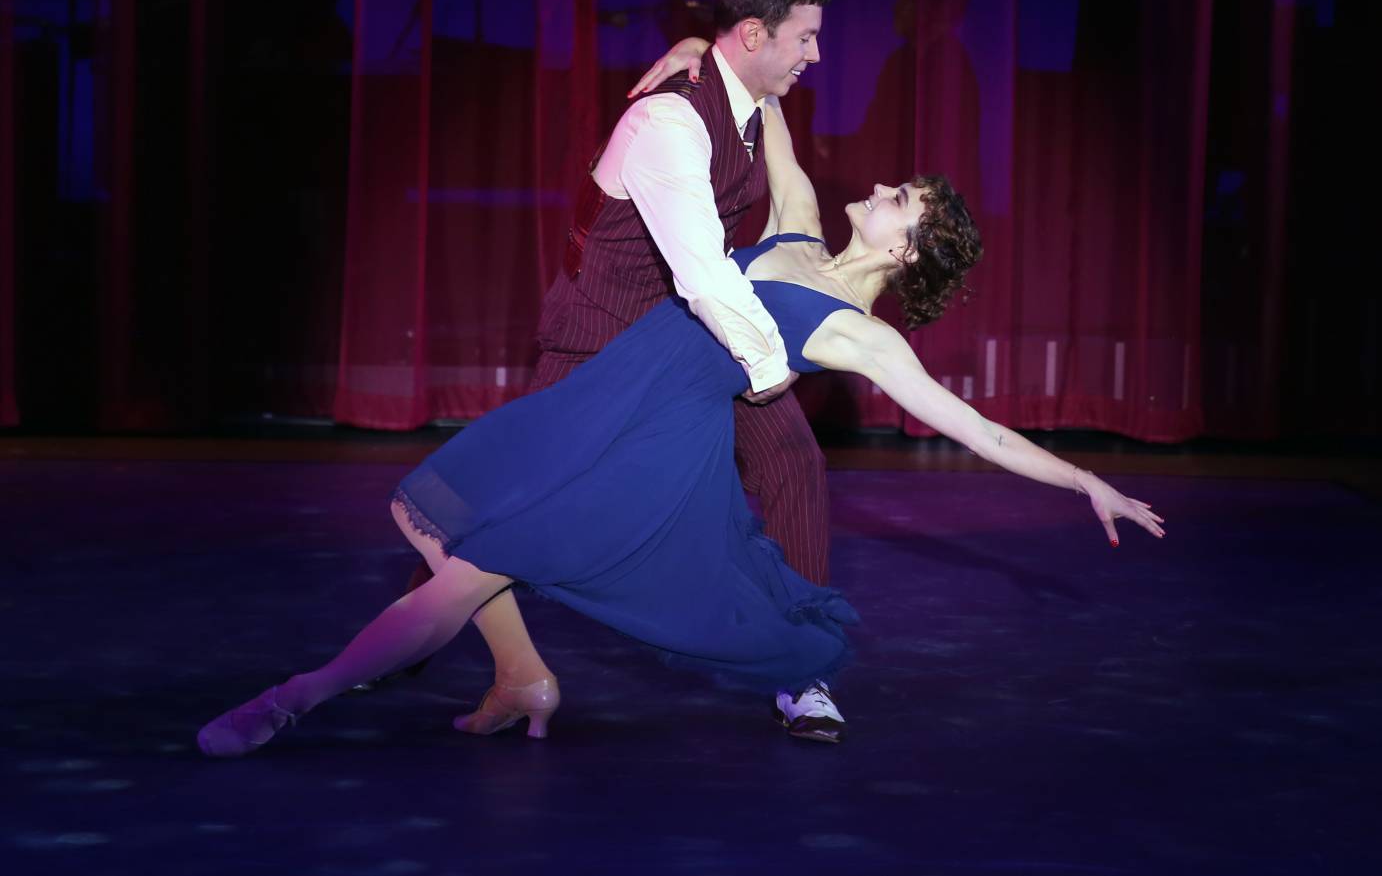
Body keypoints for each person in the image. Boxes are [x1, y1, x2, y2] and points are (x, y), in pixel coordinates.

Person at [197, 98, 1165, 758]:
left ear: (904, 248)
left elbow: (978, 428)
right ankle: (527, 676)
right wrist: (718, 39)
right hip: (615, 386)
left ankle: (296, 697)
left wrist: (1083, 480)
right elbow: (769, 102)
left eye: (897, 199)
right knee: (440, 518)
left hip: (658, 441)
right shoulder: (792, 220)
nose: (875, 188)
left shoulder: (862, 338)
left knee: (468, 565)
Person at [390, 0, 850, 742]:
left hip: (688, 341)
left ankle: (799, 672)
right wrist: (773, 372)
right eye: (805, 38)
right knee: (504, 504)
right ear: (753, 33)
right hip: (603, 336)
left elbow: (708, 275)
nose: (816, 54)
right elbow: (704, 270)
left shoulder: (744, 97)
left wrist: (698, 48)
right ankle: (411, 632)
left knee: (793, 463)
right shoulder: (665, 120)